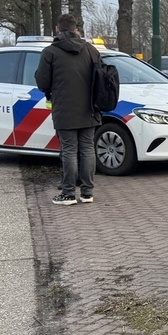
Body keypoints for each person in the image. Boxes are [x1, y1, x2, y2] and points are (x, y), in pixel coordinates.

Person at [35, 13, 102, 205]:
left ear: (57, 29)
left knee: (69, 150)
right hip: (90, 108)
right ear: (75, 29)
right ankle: (87, 193)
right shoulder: (91, 50)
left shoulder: (50, 52)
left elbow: (42, 82)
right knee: (88, 149)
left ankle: (68, 194)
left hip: (64, 108)